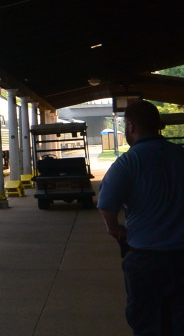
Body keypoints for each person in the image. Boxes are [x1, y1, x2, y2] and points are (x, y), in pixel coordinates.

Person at [97, 99, 184, 335]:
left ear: (131, 126)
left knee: (148, 322)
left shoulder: (128, 162)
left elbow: (106, 205)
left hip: (147, 259)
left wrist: (113, 228)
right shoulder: (180, 155)